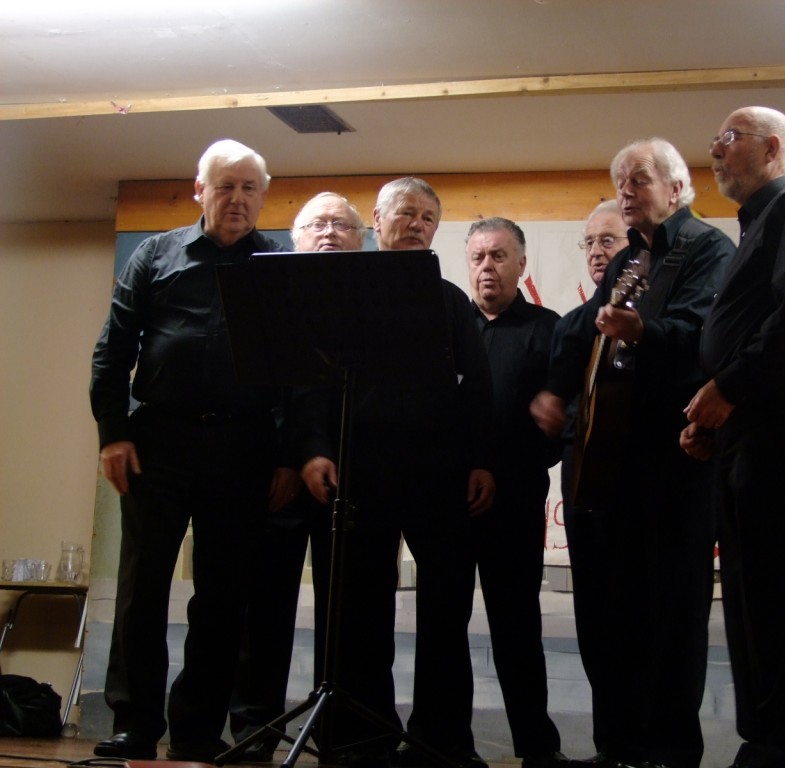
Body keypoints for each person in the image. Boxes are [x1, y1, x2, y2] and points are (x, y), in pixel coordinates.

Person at [89, 139, 299, 762]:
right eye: (225, 186)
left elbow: (296, 373)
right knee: (142, 586)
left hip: (245, 447)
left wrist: (287, 455)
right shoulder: (157, 253)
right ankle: (134, 724)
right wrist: (112, 432)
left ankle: (198, 729)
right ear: (199, 191)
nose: (237, 199)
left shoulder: (280, 263)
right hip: (158, 441)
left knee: (223, 595)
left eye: (249, 188)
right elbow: (113, 350)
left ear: (263, 196)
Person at [531, 138, 735, 768]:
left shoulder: (708, 248)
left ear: (677, 190)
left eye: (638, 179)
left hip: (672, 462)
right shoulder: (634, 260)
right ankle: (615, 748)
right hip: (609, 470)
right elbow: (580, 334)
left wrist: (643, 329)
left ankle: (669, 754)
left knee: (670, 616)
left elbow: (707, 336)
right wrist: (554, 390)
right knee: (606, 616)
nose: (626, 191)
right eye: (620, 181)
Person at [296, 177, 495, 768]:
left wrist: (481, 458)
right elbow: (310, 384)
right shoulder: (340, 295)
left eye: (427, 217)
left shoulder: (452, 301)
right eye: (405, 214)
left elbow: (478, 391)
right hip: (358, 470)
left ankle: (441, 741)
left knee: (446, 611)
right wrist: (313, 448)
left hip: (439, 474)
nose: (416, 225)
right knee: (358, 611)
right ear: (377, 223)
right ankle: (362, 738)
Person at [681, 106, 785, 768]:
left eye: (728, 138)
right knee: (748, 590)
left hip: (779, 410)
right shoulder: (755, 227)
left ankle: (782, 750)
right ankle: (762, 742)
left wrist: (730, 390)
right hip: (749, 419)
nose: (714, 150)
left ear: (772, 147)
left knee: (773, 590)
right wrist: (711, 419)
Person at [229, 192, 366, 760]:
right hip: (282, 474)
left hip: (354, 477)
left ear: (362, 240)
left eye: (341, 224)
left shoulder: (376, 300)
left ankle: (342, 734)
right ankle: (254, 729)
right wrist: (291, 456)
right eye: (317, 223)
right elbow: (267, 391)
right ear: (294, 236)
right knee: (264, 609)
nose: (329, 232)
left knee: (349, 615)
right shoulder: (271, 295)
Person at [463, 217, 565, 768]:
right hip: (449, 505)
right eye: (478, 256)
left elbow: (556, 423)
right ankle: (448, 742)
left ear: (521, 265)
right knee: (444, 626)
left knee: (517, 627)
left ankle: (536, 747)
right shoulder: (450, 327)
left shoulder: (548, 329)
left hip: (516, 503)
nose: (487, 267)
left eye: (499, 256)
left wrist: (502, 468)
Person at [557, 201, 627, 760]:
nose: (599, 251)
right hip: (584, 494)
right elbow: (559, 381)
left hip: (641, 496)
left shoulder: (655, 309)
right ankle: (610, 746)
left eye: (611, 239)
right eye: (590, 243)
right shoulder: (577, 323)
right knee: (596, 625)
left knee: (639, 628)